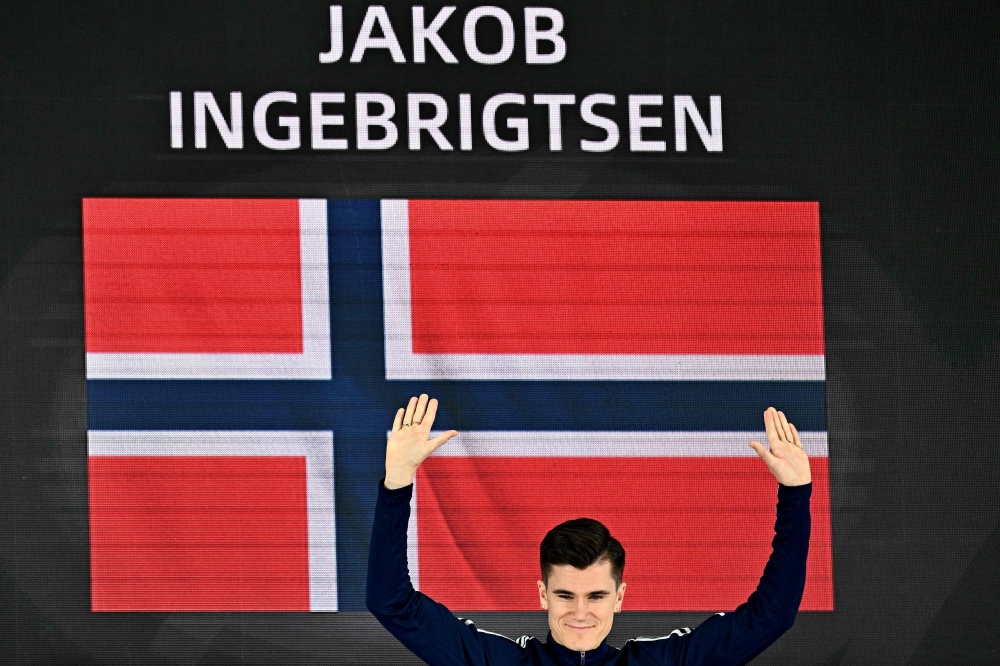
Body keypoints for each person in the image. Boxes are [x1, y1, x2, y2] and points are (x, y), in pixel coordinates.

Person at [367, 394, 813, 666]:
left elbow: (771, 617)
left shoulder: (661, 662)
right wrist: (396, 484)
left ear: (620, 596)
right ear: (542, 593)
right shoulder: (498, 661)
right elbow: (391, 603)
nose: (580, 613)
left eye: (596, 595)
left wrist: (795, 494)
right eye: (565, 595)